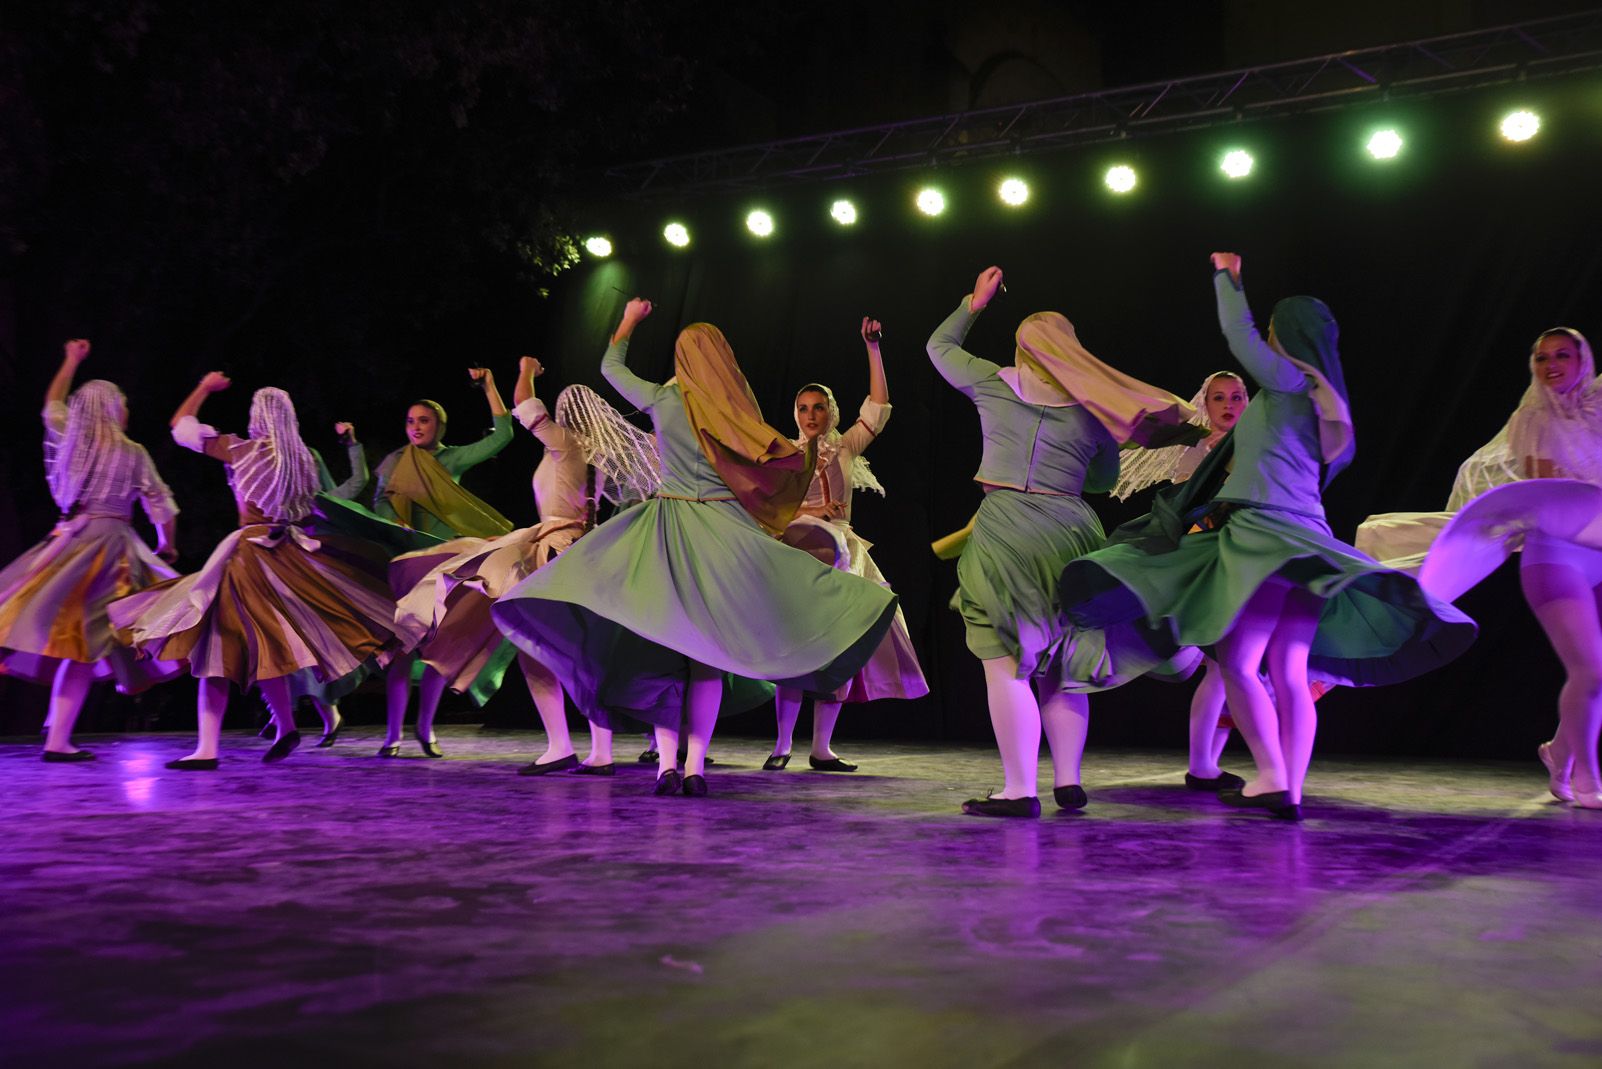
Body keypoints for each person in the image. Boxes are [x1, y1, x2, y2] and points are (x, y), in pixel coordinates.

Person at [1061, 253, 1476, 820]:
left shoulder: (1285, 381)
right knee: (1288, 668)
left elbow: (1237, 332)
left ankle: (1274, 777)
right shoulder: (1324, 400)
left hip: (1265, 537)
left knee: (1237, 659)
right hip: (1310, 542)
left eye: (1275, 331)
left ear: (1286, 336)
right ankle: (1288, 787)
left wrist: (1227, 277)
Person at [493, 299, 899, 797]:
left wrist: (629, 322)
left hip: (669, 526)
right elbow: (773, 466)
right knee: (706, 655)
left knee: (667, 643)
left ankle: (667, 765)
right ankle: (694, 768)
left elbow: (609, 368)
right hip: (723, 531)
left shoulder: (667, 401)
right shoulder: (738, 411)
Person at [928, 266, 1204, 818]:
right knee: (1065, 660)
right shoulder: (1092, 413)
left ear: (1021, 348)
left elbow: (939, 346)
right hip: (1072, 528)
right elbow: (1102, 480)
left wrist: (975, 302)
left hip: (1007, 526)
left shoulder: (993, 382)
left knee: (1006, 661)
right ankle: (1069, 783)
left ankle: (1018, 789)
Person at [109, 374, 419, 769]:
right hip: (291, 556)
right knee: (266, 645)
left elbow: (181, 427)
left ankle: (209, 748)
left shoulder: (242, 450)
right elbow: (316, 510)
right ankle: (285, 726)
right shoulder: (303, 460)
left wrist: (204, 387)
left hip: (248, 557)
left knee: (215, 644)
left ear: (257, 417)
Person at [394, 357, 661, 775]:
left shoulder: (565, 443)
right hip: (581, 550)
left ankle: (567, 746)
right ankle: (593, 750)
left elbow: (523, 404)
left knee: (542, 649)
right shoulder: (596, 456)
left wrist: (525, 371)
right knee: (571, 652)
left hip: (555, 551)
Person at [1416, 328, 1602, 809]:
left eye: (1563, 355)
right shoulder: (1531, 418)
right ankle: (1587, 778)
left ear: (1584, 359)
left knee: (1598, 676)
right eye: (1542, 358)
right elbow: (1547, 493)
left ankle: (1559, 754)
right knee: (1591, 670)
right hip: (1554, 557)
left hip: (1599, 553)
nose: (1552, 365)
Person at [0, 339, 180, 760]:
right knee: (92, 641)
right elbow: (160, 502)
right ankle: (60, 736)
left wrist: (70, 360)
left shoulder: (70, 444)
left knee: (68, 635)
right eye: (123, 404)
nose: (127, 411)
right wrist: (166, 544)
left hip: (67, 542)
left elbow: (52, 405)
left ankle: (59, 730)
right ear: (112, 409)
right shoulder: (131, 451)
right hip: (110, 547)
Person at [766, 318, 929, 773]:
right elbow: (768, 509)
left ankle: (821, 747)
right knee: (793, 650)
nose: (810, 415)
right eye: (802, 408)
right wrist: (809, 514)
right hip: (798, 556)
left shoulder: (844, 449)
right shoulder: (783, 453)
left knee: (837, 650)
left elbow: (878, 406)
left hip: (840, 555)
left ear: (830, 412)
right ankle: (781, 745)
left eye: (818, 407)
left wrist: (873, 348)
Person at [1113, 371, 1252, 790]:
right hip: (1205, 564)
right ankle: (1204, 764)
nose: (1229, 405)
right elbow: (1186, 516)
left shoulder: (1254, 448)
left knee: (1227, 668)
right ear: (1204, 406)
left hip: (1240, 563)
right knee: (1224, 665)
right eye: (1219, 398)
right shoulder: (1201, 451)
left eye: (1237, 397)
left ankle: (1205, 764)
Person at [374, 370, 515, 758]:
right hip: (405, 562)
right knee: (401, 649)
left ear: (439, 426)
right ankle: (392, 737)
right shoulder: (393, 462)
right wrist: (393, 521)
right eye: (410, 421)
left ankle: (425, 727)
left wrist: (490, 386)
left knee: (438, 649)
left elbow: (503, 436)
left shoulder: (450, 458)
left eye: (424, 420)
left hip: (443, 565)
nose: (416, 427)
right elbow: (378, 506)